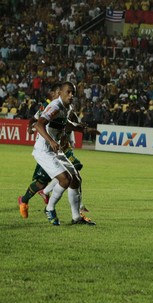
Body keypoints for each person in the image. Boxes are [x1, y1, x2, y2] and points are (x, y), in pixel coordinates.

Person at [28, 82, 95, 225]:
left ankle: (76, 217)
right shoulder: (55, 106)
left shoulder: (66, 107)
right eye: (68, 92)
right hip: (44, 150)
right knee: (65, 179)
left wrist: (84, 129)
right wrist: (52, 141)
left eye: (73, 93)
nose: (71, 95)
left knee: (75, 178)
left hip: (55, 150)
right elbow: (38, 124)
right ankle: (49, 208)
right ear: (61, 93)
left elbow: (66, 124)